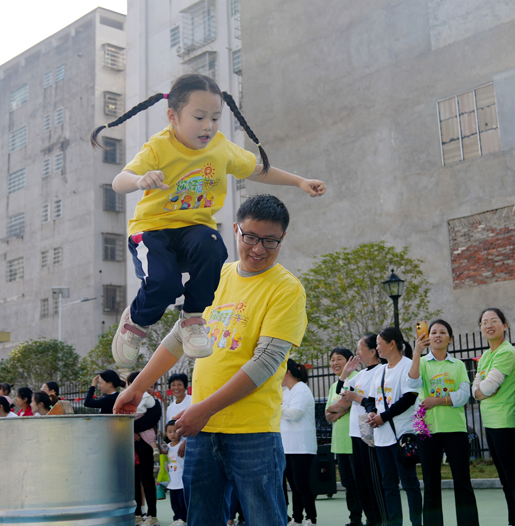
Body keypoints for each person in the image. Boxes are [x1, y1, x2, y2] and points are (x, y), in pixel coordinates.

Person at [92, 73, 325, 369]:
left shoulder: (220, 147)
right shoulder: (158, 147)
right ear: (172, 117)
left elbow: (257, 169)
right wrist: (140, 180)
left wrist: (300, 181)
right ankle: (136, 322)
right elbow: (118, 182)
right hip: (152, 233)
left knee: (214, 246)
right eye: (199, 117)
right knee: (165, 284)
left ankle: (192, 318)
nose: (208, 126)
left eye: (215, 118)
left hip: (193, 232)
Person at [113, 194, 308, 526]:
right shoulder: (217, 275)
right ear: (235, 230)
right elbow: (178, 337)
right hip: (202, 432)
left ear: (283, 238)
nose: (259, 249)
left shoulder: (287, 290)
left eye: (270, 241)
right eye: (250, 237)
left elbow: (265, 362)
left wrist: (202, 409)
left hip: (253, 433)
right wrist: (137, 388)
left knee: (264, 519)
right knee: (201, 519)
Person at [408, 319, 478, 526]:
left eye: (442, 332)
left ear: (450, 338)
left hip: (455, 429)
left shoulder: (457, 365)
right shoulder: (420, 363)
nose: (437, 335)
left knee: (463, 481)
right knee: (430, 483)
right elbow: (412, 383)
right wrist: (416, 353)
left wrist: (438, 401)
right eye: (434, 332)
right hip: (428, 431)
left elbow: (463, 395)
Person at [475, 309, 515, 526]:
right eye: (484, 322)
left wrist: (482, 391)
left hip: (505, 423)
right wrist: (482, 390)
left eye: (494, 321)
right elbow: (477, 388)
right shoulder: (486, 355)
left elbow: (488, 387)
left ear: (504, 325)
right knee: (505, 480)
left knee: (513, 479)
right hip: (491, 423)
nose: (488, 325)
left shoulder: (505, 352)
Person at [367, 327, 422, 526]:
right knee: (388, 485)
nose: (377, 348)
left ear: (392, 344)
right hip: (382, 438)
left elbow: (409, 397)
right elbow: (372, 399)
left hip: (401, 435)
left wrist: (384, 416)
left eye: (379, 344)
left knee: (409, 484)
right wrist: (373, 412)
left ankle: (417, 522)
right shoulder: (380, 370)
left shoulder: (409, 365)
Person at [335, 334, 387, 526]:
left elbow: (373, 402)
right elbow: (340, 392)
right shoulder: (360, 375)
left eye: (360, 348)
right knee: (361, 482)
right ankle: (371, 519)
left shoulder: (382, 371)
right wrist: (345, 373)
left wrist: (356, 397)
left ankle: (381, 520)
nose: (357, 352)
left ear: (373, 351)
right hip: (356, 434)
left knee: (374, 481)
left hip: (372, 434)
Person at [324, 347, 364, 526]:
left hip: (356, 440)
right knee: (348, 485)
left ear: (350, 360)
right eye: (332, 359)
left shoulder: (358, 378)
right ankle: (354, 520)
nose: (334, 363)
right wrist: (340, 408)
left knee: (361, 483)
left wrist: (338, 408)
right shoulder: (335, 385)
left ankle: (371, 518)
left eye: (339, 359)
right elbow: (328, 415)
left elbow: (345, 403)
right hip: (340, 442)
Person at [281, 358, 318, 526]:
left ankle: (311, 517)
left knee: (301, 483)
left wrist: (277, 405)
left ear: (287, 372)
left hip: (302, 446)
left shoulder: (301, 389)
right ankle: (297, 519)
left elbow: (295, 414)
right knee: (293, 485)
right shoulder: (285, 391)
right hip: (288, 445)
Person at [126, 371, 162, 526]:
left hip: (144, 445)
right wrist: (130, 431)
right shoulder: (128, 400)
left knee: (147, 480)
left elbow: (150, 420)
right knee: (134, 481)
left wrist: (131, 428)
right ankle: (137, 514)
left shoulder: (153, 403)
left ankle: (152, 515)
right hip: (130, 445)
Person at [165, 420, 187, 526]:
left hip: (182, 481)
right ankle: (177, 518)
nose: (173, 434)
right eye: (170, 431)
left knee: (182, 501)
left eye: (175, 431)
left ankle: (183, 519)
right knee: (174, 502)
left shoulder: (183, 446)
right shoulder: (167, 447)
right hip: (171, 481)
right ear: (166, 433)